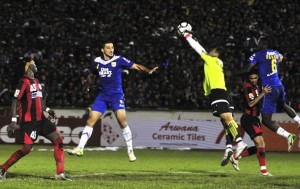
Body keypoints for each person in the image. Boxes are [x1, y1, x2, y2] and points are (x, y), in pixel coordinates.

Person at [68, 41, 158, 161]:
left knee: (122, 122)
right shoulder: (96, 62)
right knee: (90, 121)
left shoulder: (119, 60)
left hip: (116, 96)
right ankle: (80, 148)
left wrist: (148, 70)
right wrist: (87, 86)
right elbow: (92, 75)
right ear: (102, 50)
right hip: (102, 97)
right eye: (108, 47)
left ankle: (130, 151)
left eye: (112, 47)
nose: (111, 50)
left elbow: (136, 66)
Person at [178, 25, 248, 159]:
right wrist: (194, 36)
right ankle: (228, 147)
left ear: (214, 51)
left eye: (210, 51)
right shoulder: (218, 61)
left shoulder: (210, 60)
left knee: (227, 120)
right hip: (225, 93)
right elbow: (203, 50)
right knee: (227, 121)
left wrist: (186, 35)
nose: (208, 52)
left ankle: (239, 143)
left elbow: (198, 49)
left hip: (217, 93)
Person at [0, 57, 70, 180]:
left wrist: (48, 110)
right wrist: (13, 121)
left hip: (42, 119)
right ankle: (3, 168)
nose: (36, 65)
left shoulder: (37, 82)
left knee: (58, 140)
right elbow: (15, 100)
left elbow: (40, 101)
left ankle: (60, 173)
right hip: (30, 122)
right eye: (34, 64)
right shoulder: (23, 82)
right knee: (26, 149)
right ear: (29, 66)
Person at [247, 37, 298, 152]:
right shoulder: (275, 52)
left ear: (263, 44)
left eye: (259, 42)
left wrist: (233, 73)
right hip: (279, 86)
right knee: (283, 105)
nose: (257, 44)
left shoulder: (258, 54)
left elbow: (248, 68)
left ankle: (289, 136)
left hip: (269, 88)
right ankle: (299, 121)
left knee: (266, 120)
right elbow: (281, 58)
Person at [229, 70, 273, 176]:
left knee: (260, 146)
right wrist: (263, 93)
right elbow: (251, 103)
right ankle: (263, 171)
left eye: (255, 78)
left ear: (258, 78)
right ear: (248, 79)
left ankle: (236, 156)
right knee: (260, 144)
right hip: (248, 118)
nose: (253, 80)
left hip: (255, 118)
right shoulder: (248, 87)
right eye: (251, 78)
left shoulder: (257, 86)